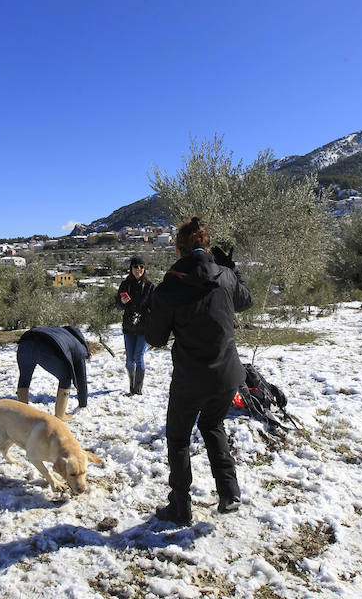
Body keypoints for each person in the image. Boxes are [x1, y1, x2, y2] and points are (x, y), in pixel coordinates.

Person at [145, 216, 253, 525]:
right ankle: (229, 493)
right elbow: (246, 301)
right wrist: (234, 269)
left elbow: (155, 338)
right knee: (212, 424)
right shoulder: (226, 277)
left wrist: (155, 309)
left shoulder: (170, 287)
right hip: (227, 374)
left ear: (178, 250)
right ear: (207, 247)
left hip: (191, 377)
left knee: (178, 439)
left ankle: (181, 507)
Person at [16, 325, 89, 421]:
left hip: (24, 344)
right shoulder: (80, 348)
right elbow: (81, 378)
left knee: (24, 378)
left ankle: (22, 413)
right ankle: (60, 415)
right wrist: (83, 404)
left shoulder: (62, 332)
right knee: (66, 378)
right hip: (44, 347)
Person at [115, 256, 154, 395]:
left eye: (141, 267)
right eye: (136, 267)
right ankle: (131, 387)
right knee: (129, 359)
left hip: (144, 327)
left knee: (139, 356)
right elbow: (118, 306)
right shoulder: (125, 285)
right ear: (131, 269)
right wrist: (122, 303)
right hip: (129, 327)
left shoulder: (150, 286)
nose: (139, 269)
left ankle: (138, 390)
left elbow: (154, 307)